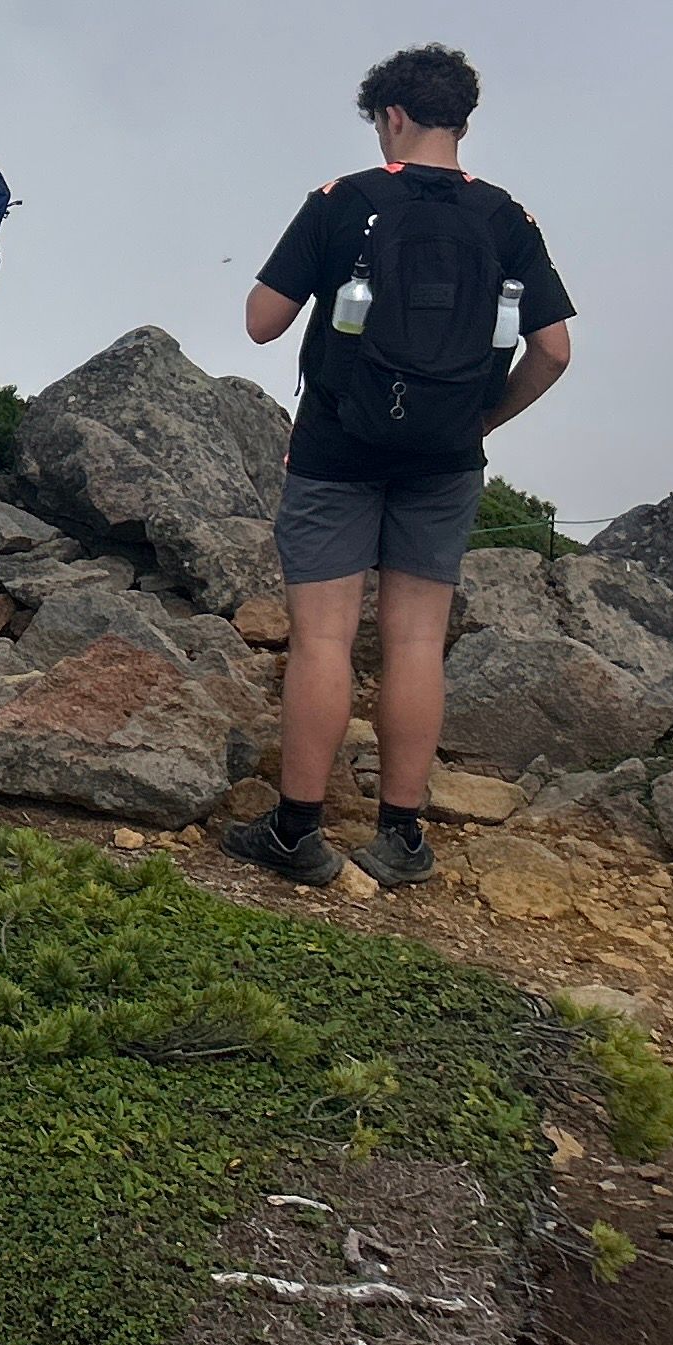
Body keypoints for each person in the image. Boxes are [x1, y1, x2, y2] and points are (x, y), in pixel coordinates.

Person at [224, 44, 574, 891]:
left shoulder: (343, 201)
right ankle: (403, 839)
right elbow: (555, 351)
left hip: (337, 446)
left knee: (325, 637)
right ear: (462, 120)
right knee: (417, 640)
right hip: (447, 456)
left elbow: (261, 323)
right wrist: (480, 419)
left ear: (391, 118)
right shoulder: (506, 220)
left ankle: (297, 832)